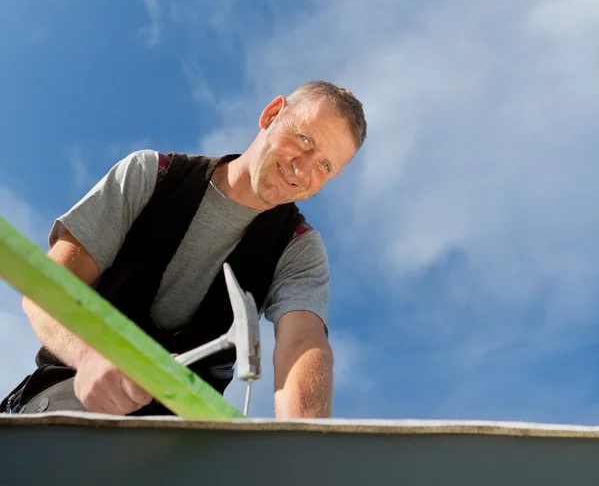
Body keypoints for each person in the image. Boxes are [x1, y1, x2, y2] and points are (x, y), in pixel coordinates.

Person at [2, 80, 367, 418]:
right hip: (73, 397)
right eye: (304, 139)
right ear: (272, 114)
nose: (302, 170)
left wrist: (305, 451)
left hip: (182, 432)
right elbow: (48, 288)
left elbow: (301, 343)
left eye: (323, 165)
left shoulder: (298, 247)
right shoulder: (151, 175)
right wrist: (91, 356)